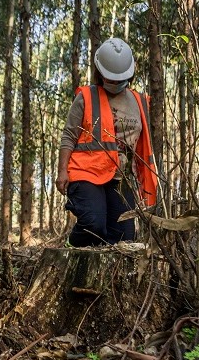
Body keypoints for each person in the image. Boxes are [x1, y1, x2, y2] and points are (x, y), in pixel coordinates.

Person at [56, 37, 159, 247]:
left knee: (124, 237)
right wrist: (62, 171)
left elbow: (143, 143)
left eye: (119, 80)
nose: (114, 83)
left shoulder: (139, 101)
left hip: (121, 177)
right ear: (100, 73)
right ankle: (71, 250)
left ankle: (106, 277)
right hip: (87, 172)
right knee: (93, 224)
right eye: (110, 79)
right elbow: (69, 136)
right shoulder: (86, 97)